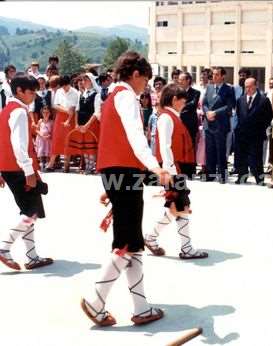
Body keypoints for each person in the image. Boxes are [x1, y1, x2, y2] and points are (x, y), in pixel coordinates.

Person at [80, 51, 170, 327]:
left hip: (118, 172)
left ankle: (141, 308)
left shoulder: (109, 97)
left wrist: (113, 183)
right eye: (145, 79)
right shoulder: (126, 95)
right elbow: (134, 135)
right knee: (126, 243)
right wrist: (156, 167)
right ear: (135, 74)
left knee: (132, 242)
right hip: (125, 171)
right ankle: (96, 301)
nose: (146, 86)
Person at [144, 83, 207, 259]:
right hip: (171, 169)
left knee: (177, 207)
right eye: (182, 101)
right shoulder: (166, 118)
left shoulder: (171, 116)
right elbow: (165, 146)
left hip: (173, 168)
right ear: (174, 100)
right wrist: (169, 171)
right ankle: (185, 248)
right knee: (181, 206)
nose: (184, 104)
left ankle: (151, 238)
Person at [0, 74, 53, 271]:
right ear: (19, 91)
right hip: (19, 168)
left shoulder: (6, 110)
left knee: (29, 212)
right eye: (31, 92)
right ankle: (4, 248)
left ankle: (32, 256)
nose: (34, 96)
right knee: (31, 212)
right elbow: (19, 145)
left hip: (9, 167)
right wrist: (29, 171)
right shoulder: (19, 112)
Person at [235, 77, 273, 185]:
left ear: (256, 86)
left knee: (256, 157)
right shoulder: (240, 100)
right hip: (242, 133)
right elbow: (239, 114)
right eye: (246, 87)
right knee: (242, 156)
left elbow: (269, 116)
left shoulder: (264, 100)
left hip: (256, 134)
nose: (247, 89)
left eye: (250, 86)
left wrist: (261, 127)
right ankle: (242, 176)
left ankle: (259, 178)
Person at [202, 67, 236, 183]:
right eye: (213, 74)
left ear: (223, 76)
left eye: (217, 74)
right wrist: (207, 112)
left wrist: (215, 113)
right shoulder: (209, 87)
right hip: (209, 123)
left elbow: (229, 106)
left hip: (221, 124)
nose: (214, 77)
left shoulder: (229, 89)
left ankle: (222, 175)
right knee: (209, 150)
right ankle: (210, 174)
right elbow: (204, 103)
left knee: (221, 151)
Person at [69, 73, 102, 174]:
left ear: (91, 81)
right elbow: (77, 110)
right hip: (82, 123)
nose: (84, 82)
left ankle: (92, 166)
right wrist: (76, 124)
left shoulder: (97, 95)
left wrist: (87, 125)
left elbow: (97, 112)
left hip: (91, 123)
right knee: (84, 146)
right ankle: (87, 165)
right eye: (83, 80)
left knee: (91, 146)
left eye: (86, 80)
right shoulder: (81, 94)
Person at [47, 75, 79, 172]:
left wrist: (68, 120)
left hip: (71, 118)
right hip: (60, 116)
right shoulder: (59, 91)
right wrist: (65, 110)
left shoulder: (75, 92)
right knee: (57, 140)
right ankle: (50, 164)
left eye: (66, 86)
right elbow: (55, 105)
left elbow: (73, 109)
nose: (64, 88)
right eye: (62, 86)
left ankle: (66, 165)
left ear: (69, 84)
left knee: (68, 140)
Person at [178, 72, 200, 178]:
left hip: (190, 124)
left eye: (182, 79)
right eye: (179, 79)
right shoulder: (177, 92)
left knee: (190, 147)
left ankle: (190, 170)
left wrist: (181, 107)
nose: (180, 81)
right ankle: (182, 169)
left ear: (188, 81)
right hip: (179, 124)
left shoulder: (196, 92)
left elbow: (192, 105)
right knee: (181, 147)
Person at [35, 106, 54, 171]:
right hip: (41, 139)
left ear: (50, 113)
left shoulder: (51, 122)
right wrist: (41, 134)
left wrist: (49, 135)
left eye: (47, 112)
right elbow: (37, 130)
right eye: (44, 112)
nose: (45, 114)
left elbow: (53, 131)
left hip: (48, 139)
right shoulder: (40, 121)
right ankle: (41, 164)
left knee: (48, 151)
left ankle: (47, 164)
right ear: (42, 113)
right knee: (41, 151)